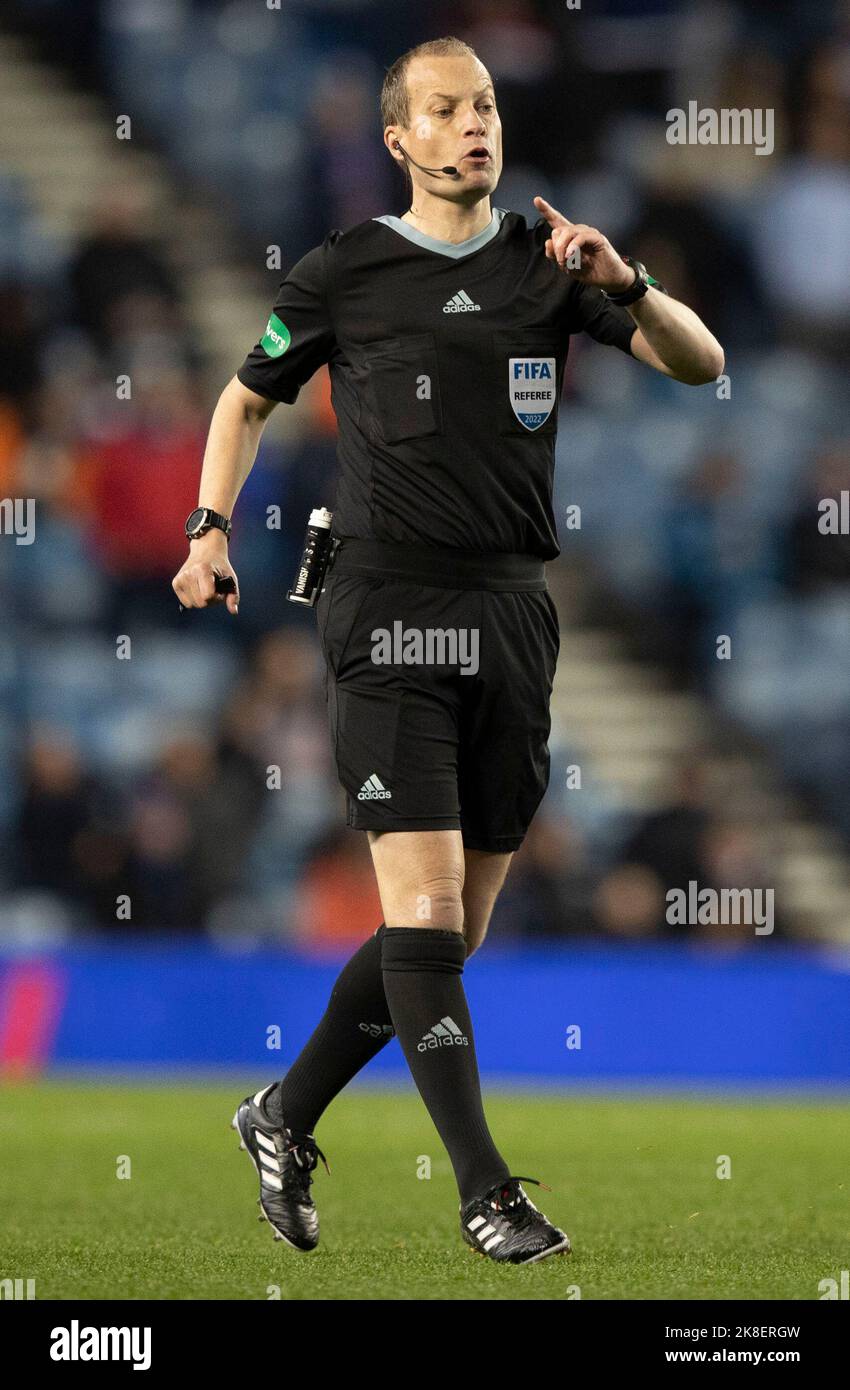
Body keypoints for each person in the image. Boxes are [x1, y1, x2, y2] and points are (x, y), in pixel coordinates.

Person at [172, 36, 724, 1265]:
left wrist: (624, 280)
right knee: (419, 910)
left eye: (481, 105)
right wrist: (210, 529)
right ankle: (485, 1189)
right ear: (398, 141)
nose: (472, 125)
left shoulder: (551, 264)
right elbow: (244, 395)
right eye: (443, 110)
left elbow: (704, 364)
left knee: (450, 938)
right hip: (383, 609)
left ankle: (282, 1112)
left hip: (515, 616)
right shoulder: (346, 268)